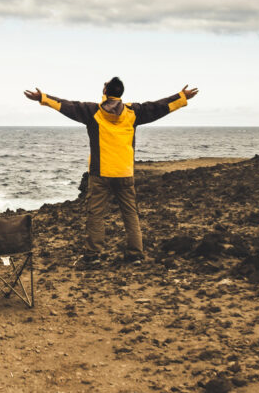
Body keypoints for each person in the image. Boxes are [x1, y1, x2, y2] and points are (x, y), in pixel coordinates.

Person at [24, 78, 198, 265]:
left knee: (96, 215)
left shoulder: (93, 112)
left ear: (105, 91)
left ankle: (93, 256)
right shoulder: (133, 112)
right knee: (130, 214)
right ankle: (135, 255)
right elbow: (158, 107)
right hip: (124, 173)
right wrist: (181, 97)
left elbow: (67, 106)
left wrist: (43, 97)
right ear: (120, 92)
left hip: (100, 173)